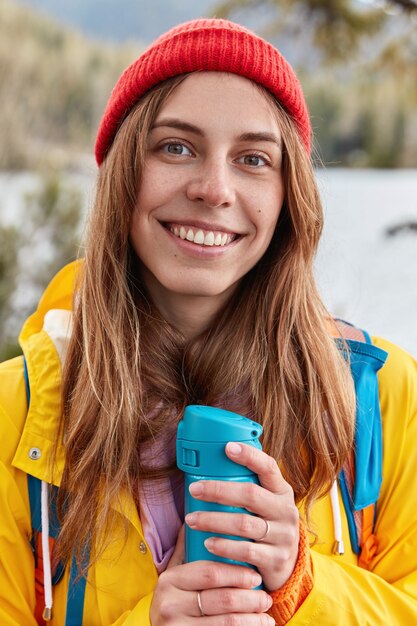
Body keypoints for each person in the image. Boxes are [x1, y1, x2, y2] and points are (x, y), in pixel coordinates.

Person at [0, 17, 416, 626]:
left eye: (252, 158)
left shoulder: (380, 399)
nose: (214, 188)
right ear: (122, 175)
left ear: (288, 196)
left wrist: (304, 583)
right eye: (176, 146)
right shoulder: (19, 414)